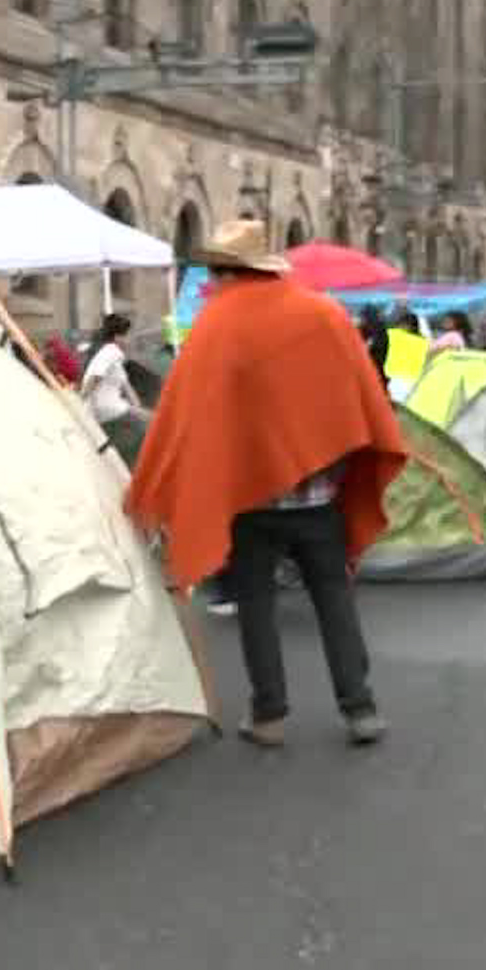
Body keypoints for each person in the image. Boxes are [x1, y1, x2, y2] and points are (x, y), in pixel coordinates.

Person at [125, 219, 407, 748]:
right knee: (332, 597)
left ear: (226, 271)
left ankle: (270, 714)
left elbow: (187, 413)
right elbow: (358, 398)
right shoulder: (324, 314)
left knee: (256, 602)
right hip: (319, 499)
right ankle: (359, 707)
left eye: (213, 273)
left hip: (251, 500)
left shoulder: (216, 325)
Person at [79, 313, 152, 468]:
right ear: (118, 337)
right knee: (148, 429)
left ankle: (123, 453)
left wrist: (139, 409)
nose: (130, 340)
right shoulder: (112, 351)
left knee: (150, 421)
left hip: (113, 406)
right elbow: (95, 376)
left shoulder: (115, 356)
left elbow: (127, 387)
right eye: (128, 335)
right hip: (106, 408)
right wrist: (81, 400)